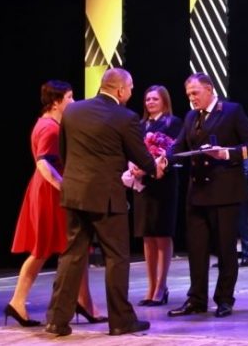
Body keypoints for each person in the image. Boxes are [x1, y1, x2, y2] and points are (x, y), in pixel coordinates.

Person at [45, 68, 164, 337]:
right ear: (120, 90)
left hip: (75, 194)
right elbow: (140, 155)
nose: (132, 93)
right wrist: (154, 168)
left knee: (72, 256)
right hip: (107, 198)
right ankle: (121, 321)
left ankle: (56, 320)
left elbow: (64, 152)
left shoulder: (73, 111)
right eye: (130, 88)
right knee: (116, 257)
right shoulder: (125, 117)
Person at [6, 80, 105, 328]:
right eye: (69, 97)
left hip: (48, 190)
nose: (73, 101)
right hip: (50, 193)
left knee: (75, 248)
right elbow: (44, 163)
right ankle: (17, 302)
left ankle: (84, 301)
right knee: (44, 249)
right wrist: (64, 187)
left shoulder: (50, 124)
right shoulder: (49, 128)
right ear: (55, 102)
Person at [167, 72, 248, 319]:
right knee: (196, 250)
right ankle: (196, 299)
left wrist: (226, 154)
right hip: (197, 192)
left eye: (195, 93)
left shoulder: (231, 111)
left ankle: (224, 299)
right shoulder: (191, 116)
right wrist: (161, 159)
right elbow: (178, 147)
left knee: (225, 249)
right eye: (188, 94)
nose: (191, 98)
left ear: (208, 89)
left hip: (224, 192)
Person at [129, 85, 183, 307]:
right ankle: (151, 286)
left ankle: (161, 286)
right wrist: (133, 166)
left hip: (163, 183)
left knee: (162, 233)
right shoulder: (140, 125)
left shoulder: (173, 123)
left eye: (155, 99)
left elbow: (174, 152)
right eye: (147, 99)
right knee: (147, 235)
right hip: (143, 186)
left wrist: (151, 167)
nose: (150, 102)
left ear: (164, 101)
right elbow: (132, 149)